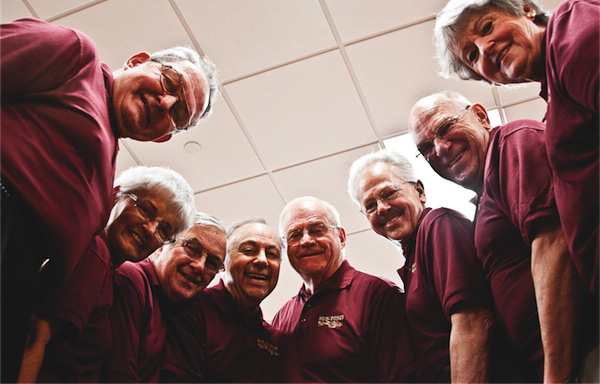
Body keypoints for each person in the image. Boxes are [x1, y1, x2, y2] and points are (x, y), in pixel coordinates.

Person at [0, 17, 218, 380]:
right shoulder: (75, 55)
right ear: (136, 61)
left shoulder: (103, 185)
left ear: (164, 138)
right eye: (170, 82)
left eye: (179, 114)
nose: (166, 102)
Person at [409, 91, 597, 383]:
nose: (441, 148)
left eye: (445, 127)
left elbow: (553, 244)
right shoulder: (485, 198)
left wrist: (556, 375)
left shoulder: (511, 142)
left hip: (585, 353)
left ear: (481, 116)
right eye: (426, 148)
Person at [433, 0, 598, 296]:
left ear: (526, 9)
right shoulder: (557, 100)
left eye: (487, 26)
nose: (485, 48)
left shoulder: (571, 25)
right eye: (472, 55)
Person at [16, 166, 196, 383]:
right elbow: (34, 336)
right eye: (146, 210)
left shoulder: (110, 273)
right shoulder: (96, 253)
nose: (150, 229)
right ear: (115, 195)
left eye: (164, 230)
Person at [347, 149, 508, 383]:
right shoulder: (413, 255)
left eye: (389, 193)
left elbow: (473, 321)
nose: (381, 208)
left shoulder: (438, 226)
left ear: (419, 190)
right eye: (370, 205)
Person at [273, 196, 415, 383]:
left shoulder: (378, 295)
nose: (306, 240)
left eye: (317, 230)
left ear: (341, 237)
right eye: (295, 234)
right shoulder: (282, 316)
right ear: (285, 247)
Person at [101, 213, 227, 382]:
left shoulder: (182, 310)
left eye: (212, 263)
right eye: (192, 248)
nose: (200, 266)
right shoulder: (133, 279)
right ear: (163, 244)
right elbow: (119, 376)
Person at [161, 218, 284, 382]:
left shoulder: (275, 340)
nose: (262, 260)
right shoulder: (191, 310)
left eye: (272, 254)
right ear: (223, 262)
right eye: (248, 250)